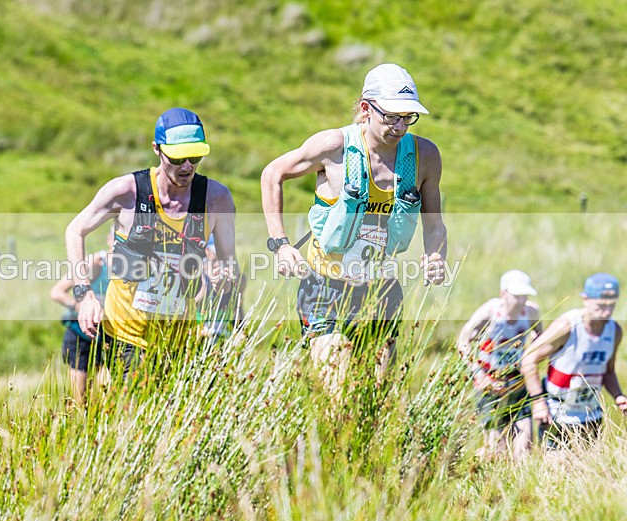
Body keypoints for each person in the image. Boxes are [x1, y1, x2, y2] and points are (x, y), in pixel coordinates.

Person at [260, 63, 446, 397]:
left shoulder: (425, 156)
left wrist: (435, 255)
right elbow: (272, 174)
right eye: (391, 116)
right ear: (365, 108)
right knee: (339, 391)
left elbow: (435, 225)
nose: (400, 126)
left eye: (408, 117)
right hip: (325, 288)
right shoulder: (334, 146)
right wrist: (281, 244)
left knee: (376, 397)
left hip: (381, 291)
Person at [66, 108, 238, 379]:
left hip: (179, 337)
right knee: (135, 409)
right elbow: (75, 230)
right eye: (178, 157)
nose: (187, 166)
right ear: (157, 149)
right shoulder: (127, 192)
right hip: (125, 333)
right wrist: (84, 294)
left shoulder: (216, 198)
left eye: (195, 157)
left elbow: (228, 262)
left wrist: (223, 278)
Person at [521, 273, 627, 449]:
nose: (606, 312)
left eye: (611, 305)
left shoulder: (614, 331)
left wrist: (618, 396)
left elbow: (607, 371)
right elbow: (528, 360)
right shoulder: (567, 326)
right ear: (585, 299)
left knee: (587, 472)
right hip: (557, 414)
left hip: (590, 415)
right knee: (555, 471)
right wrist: (538, 402)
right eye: (601, 306)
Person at [457, 270, 543, 459]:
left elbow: (542, 340)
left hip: (517, 383)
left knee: (525, 441)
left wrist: (531, 359)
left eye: (524, 296)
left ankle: (523, 484)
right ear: (503, 293)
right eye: (516, 296)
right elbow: (463, 342)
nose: (521, 301)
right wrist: (478, 375)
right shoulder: (490, 311)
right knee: (497, 447)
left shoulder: (531, 312)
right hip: (489, 385)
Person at [50, 233, 113, 403]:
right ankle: (77, 427)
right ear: (109, 239)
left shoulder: (132, 267)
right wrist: (79, 306)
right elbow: (56, 292)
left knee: (107, 396)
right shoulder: (95, 263)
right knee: (80, 399)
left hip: (110, 336)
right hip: (81, 335)